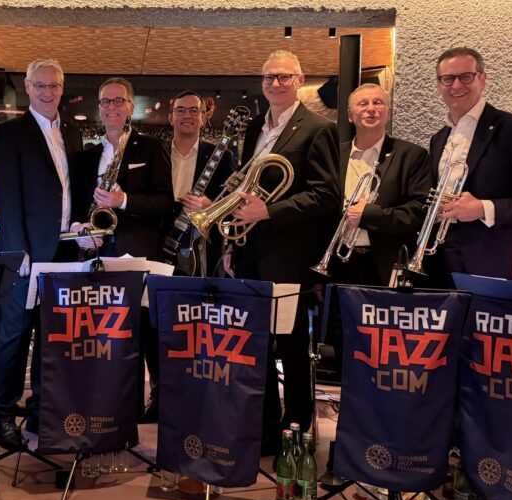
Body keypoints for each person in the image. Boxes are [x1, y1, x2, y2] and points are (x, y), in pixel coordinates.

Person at [229, 50, 340, 449]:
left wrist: (269, 211)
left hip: (290, 258)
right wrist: (233, 242)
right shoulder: (254, 131)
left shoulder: (318, 128)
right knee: (256, 346)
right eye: (269, 77)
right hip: (251, 253)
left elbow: (327, 195)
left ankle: (296, 433)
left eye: (284, 77)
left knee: (292, 350)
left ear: (300, 80)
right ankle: (262, 430)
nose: (275, 83)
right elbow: (248, 188)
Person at [0, 59, 83, 449]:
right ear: (28, 87)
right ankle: (2, 413)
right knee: (14, 335)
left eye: (54, 85)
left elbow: (72, 188)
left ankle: (42, 410)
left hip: (65, 250)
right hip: (27, 253)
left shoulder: (73, 132)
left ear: (62, 88)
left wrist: (81, 227)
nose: (48, 92)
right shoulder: (9, 134)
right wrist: (18, 250)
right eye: (40, 85)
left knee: (51, 335)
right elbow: (6, 196)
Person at [70, 77, 174, 421]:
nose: (111, 107)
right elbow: (76, 207)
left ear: (131, 107)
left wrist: (123, 200)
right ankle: (112, 403)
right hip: (100, 254)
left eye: (118, 101)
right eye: (105, 102)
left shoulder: (151, 148)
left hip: (140, 252)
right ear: (98, 108)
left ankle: (158, 401)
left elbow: (165, 203)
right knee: (108, 334)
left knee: (147, 330)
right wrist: (82, 229)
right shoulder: (86, 156)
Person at [428, 47, 512, 282]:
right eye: (447, 79)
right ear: (439, 86)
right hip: (440, 258)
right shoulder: (439, 138)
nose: (456, 85)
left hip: (491, 261)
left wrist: (483, 208)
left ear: (482, 79)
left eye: (465, 77)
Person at [330, 83, 431, 287]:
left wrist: (368, 214)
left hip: (387, 265)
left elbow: (419, 212)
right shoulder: (334, 155)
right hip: (338, 265)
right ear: (350, 115)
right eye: (363, 103)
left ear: (388, 114)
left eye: (378, 103)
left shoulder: (411, 156)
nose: (370, 108)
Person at [166, 90, 236, 276]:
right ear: (170, 118)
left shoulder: (222, 156)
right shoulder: (157, 152)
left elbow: (234, 204)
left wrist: (209, 206)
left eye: (194, 110)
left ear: (203, 118)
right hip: (159, 241)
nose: (187, 115)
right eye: (180, 110)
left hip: (201, 248)